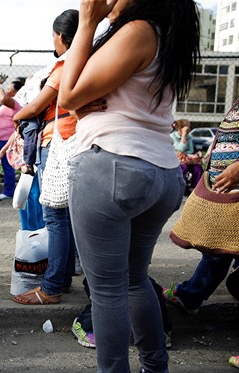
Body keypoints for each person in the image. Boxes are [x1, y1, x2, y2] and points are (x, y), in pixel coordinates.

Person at [58, 0, 200, 371]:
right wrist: (77, 101)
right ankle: (155, 367)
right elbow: (79, 98)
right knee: (134, 279)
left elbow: (68, 95)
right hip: (160, 171)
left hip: (113, 165)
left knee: (107, 291)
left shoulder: (138, 31)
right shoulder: (162, 33)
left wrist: (86, 23)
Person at [12, 9, 79, 306]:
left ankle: (51, 286)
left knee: (55, 217)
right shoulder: (91, 62)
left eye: (54, 36)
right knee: (67, 217)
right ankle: (61, 279)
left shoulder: (65, 66)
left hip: (58, 142)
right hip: (78, 141)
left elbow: (37, 106)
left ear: (62, 37)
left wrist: (19, 116)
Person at [163, 98, 239, 315]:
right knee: (216, 250)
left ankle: (189, 295)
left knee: (218, 252)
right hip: (225, 194)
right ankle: (189, 296)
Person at [171, 119, 203, 191]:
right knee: (183, 167)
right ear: (179, 128)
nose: (189, 130)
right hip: (177, 161)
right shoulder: (172, 136)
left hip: (187, 159)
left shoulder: (189, 137)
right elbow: (180, 149)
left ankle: (194, 189)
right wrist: (183, 136)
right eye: (187, 128)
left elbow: (190, 150)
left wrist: (184, 153)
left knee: (197, 167)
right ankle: (180, 187)